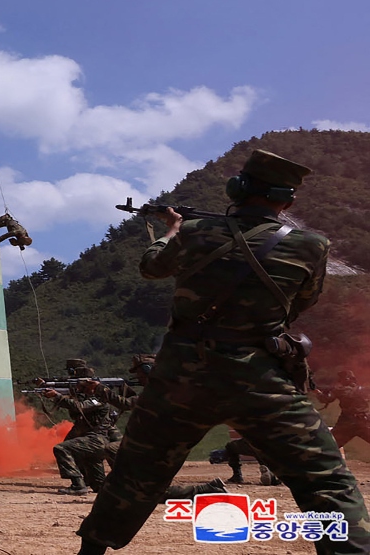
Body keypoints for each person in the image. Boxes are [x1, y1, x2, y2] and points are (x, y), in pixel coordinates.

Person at [76, 149, 370, 554]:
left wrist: (172, 229)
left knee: (133, 473)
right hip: (261, 381)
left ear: (237, 188)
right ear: (288, 201)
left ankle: (92, 548)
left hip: (181, 380)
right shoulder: (311, 245)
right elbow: (300, 303)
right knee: (327, 481)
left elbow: (152, 266)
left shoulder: (194, 232)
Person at [94, 355, 228, 501]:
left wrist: (101, 389)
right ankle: (208, 489)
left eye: (140, 373)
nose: (138, 377)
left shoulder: (161, 390)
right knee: (145, 487)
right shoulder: (162, 387)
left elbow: (127, 404)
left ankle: (206, 490)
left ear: (149, 370)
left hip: (161, 444)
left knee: (150, 491)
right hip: (157, 441)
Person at [41, 359, 119, 495]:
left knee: (61, 448)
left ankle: (77, 485)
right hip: (93, 441)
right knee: (100, 487)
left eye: (82, 386)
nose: (80, 388)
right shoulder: (87, 397)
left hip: (97, 440)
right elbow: (76, 407)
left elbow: (80, 407)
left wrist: (57, 396)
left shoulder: (99, 399)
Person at [317, 370, 370, 449]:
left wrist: (317, 393)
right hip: (364, 421)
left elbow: (325, 399)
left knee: (329, 445)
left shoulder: (340, 390)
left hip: (347, 423)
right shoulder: (362, 390)